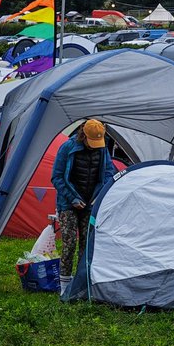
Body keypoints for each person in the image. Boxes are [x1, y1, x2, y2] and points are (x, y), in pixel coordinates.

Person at [51, 119, 116, 295]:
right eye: (92, 141)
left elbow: (109, 172)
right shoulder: (67, 147)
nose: (95, 146)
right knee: (69, 243)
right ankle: (64, 287)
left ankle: (81, 284)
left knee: (86, 244)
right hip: (68, 203)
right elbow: (57, 177)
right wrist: (72, 198)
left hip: (90, 203)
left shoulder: (102, 149)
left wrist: (98, 194)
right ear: (83, 135)